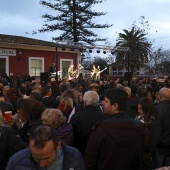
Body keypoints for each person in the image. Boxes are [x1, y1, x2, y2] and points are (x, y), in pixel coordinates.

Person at [84, 88, 144, 170]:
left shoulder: (101, 129)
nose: (103, 103)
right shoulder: (138, 127)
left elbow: (90, 158)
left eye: (106, 101)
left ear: (115, 106)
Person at [6, 125, 85, 170]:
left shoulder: (75, 156)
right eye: (36, 158)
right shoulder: (16, 161)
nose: (42, 164)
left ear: (58, 146)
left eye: (46, 158)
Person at [70, 90, 108, 156]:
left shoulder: (76, 117)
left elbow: (70, 133)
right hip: (100, 153)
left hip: (80, 151)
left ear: (84, 102)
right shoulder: (105, 117)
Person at [137, 97, 161, 169]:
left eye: (141, 109)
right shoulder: (137, 120)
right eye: (138, 108)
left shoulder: (155, 123)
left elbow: (151, 145)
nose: (138, 111)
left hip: (146, 157)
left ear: (147, 109)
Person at [155, 88, 170, 168]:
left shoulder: (158, 108)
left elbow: (155, 126)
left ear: (160, 97)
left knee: (158, 166)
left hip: (160, 145)